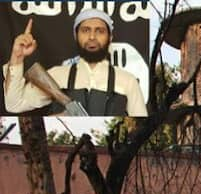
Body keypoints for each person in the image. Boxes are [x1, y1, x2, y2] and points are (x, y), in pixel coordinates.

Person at [3, 9, 147, 116]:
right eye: (85, 30)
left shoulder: (128, 81)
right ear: (76, 36)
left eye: (100, 31)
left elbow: (141, 127)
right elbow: (14, 105)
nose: (92, 36)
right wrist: (17, 57)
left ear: (110, 38)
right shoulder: (57, 75)